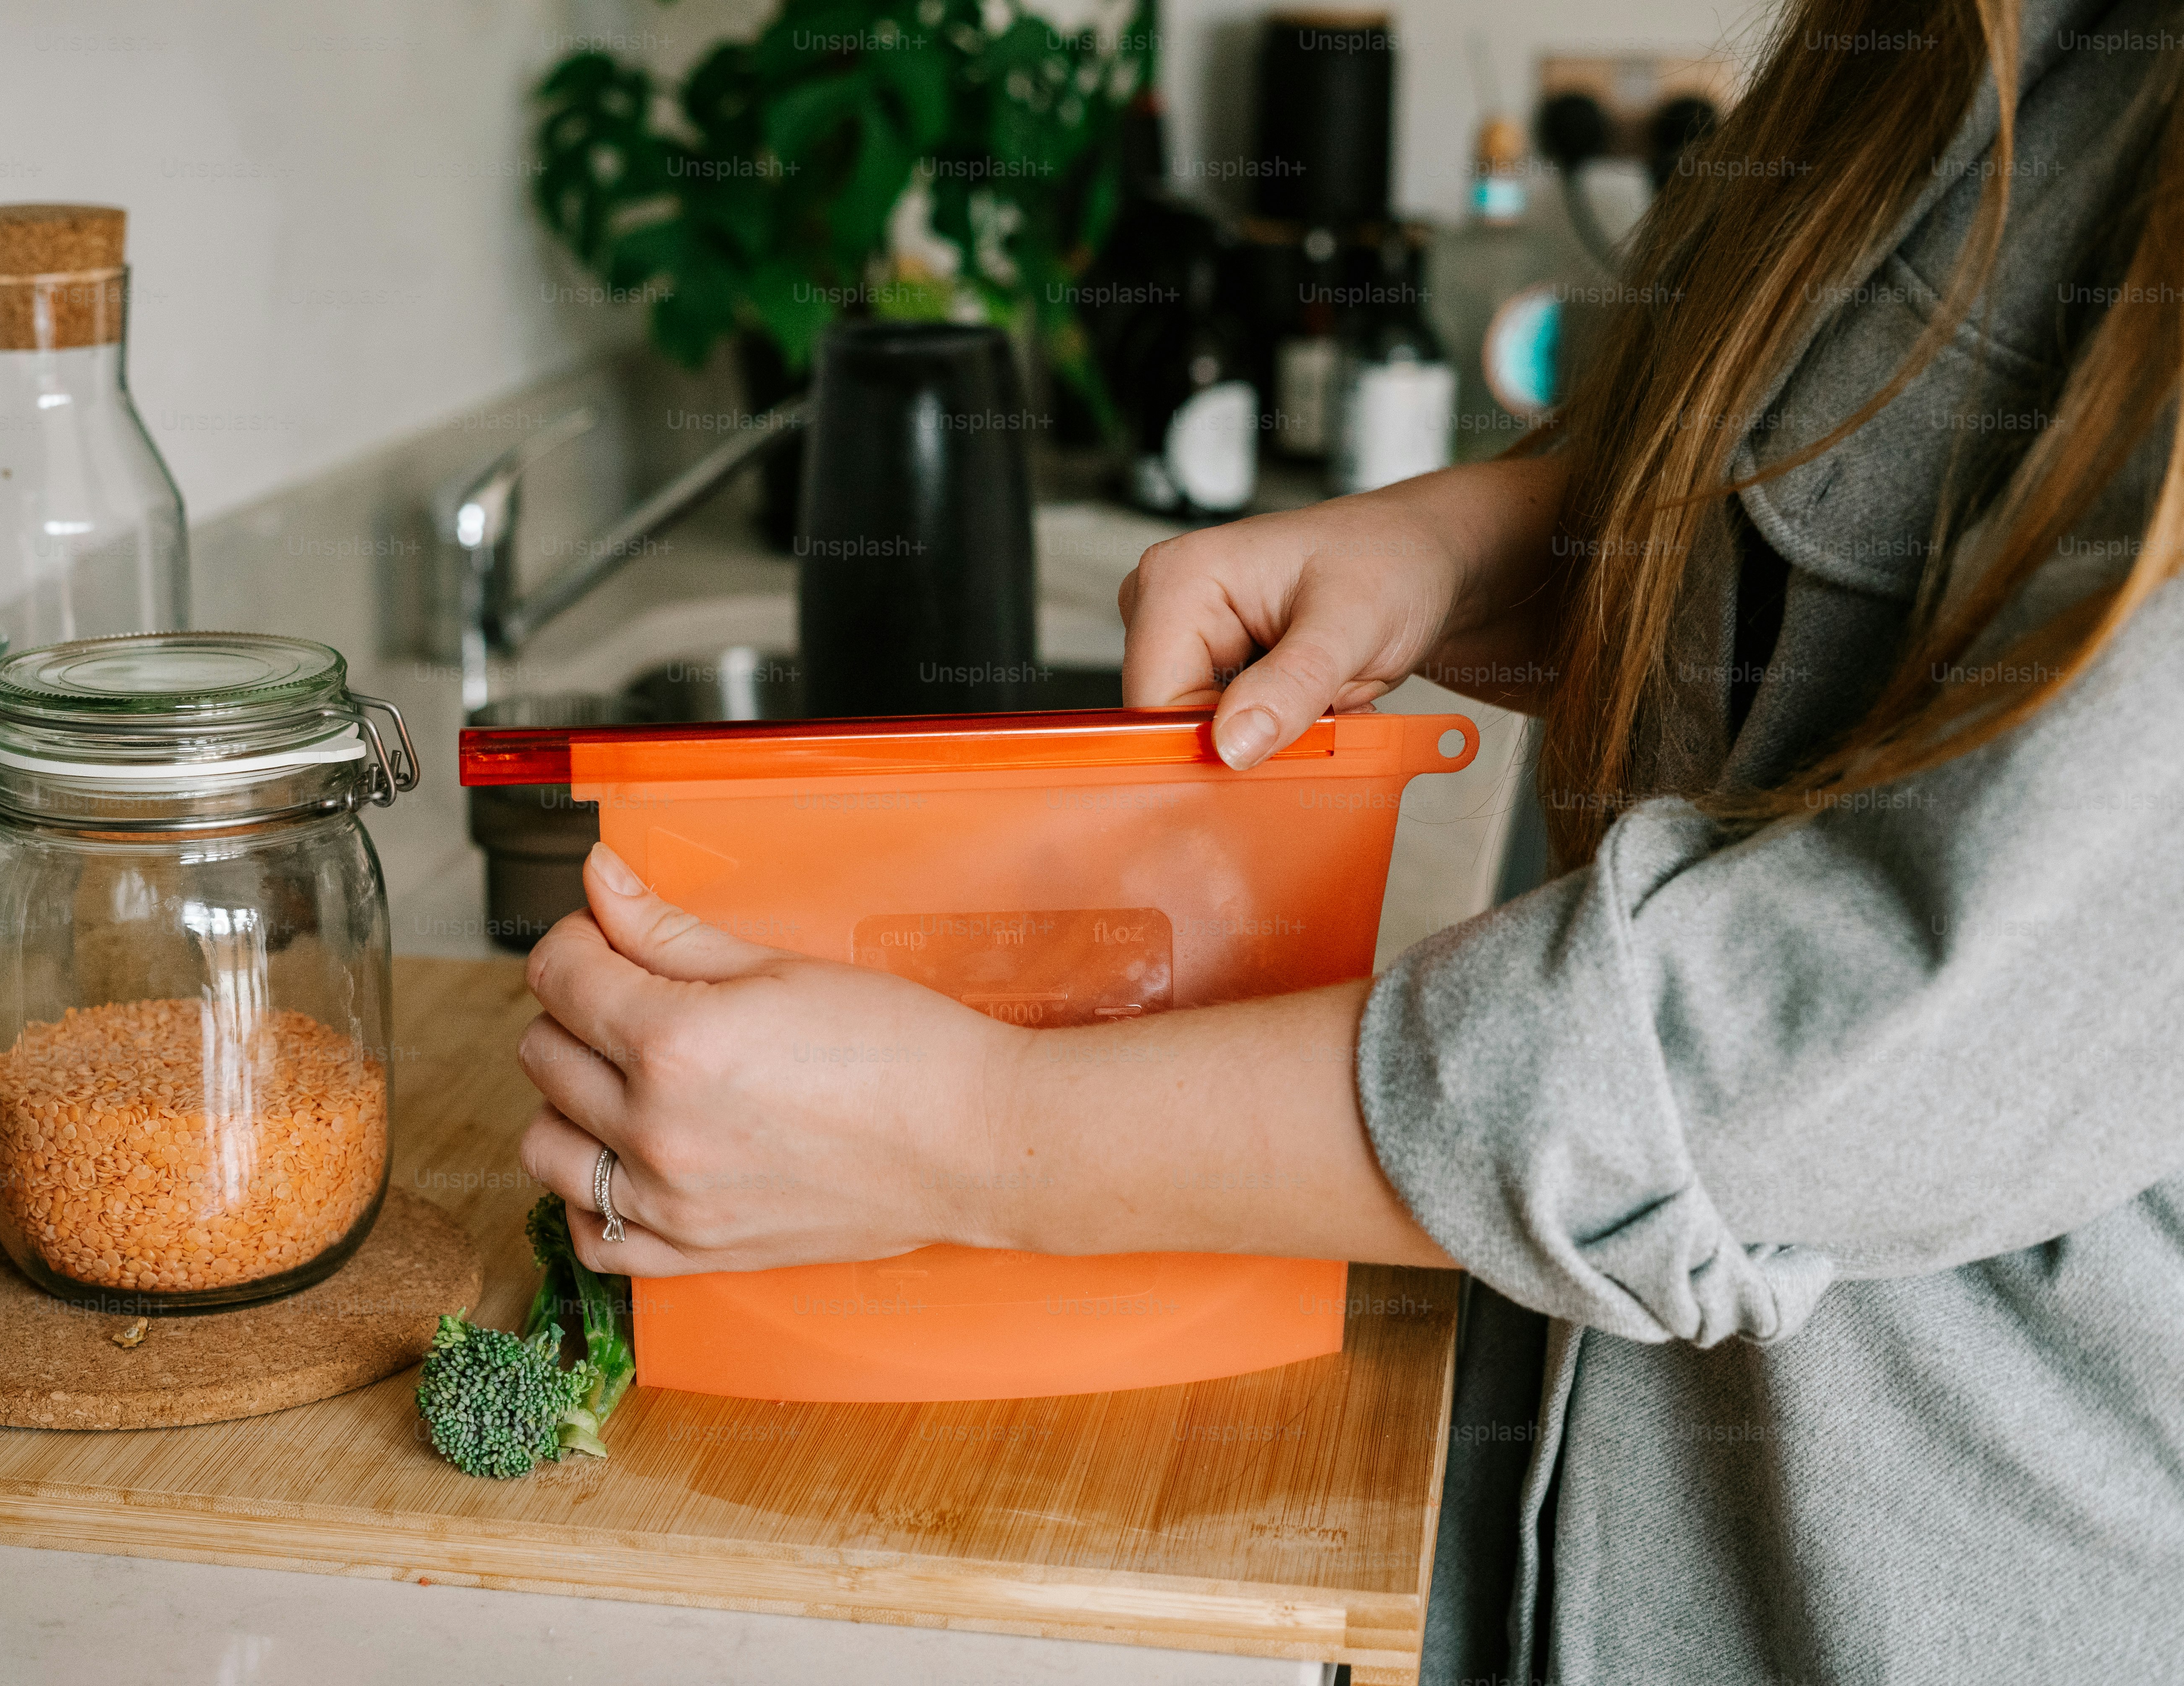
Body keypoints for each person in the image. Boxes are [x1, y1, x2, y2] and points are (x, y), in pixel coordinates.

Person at [514, 0, 2184, 1677]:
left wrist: (976, 1133)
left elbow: (1837, 1037)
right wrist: (1474, 543)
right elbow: (1824, 566)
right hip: (1556, 1522)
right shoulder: (1920, 44)